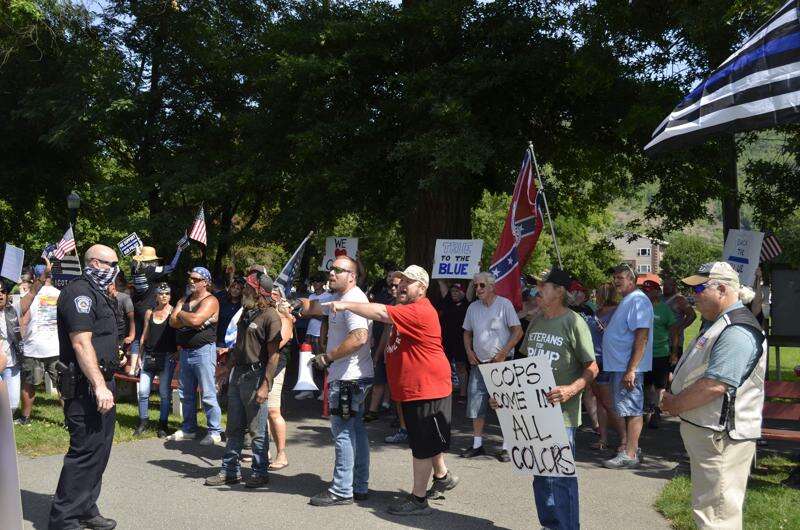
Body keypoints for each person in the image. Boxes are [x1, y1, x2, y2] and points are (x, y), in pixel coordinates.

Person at [324, 265, 459, 516]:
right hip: (415, 389)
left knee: (420, 445)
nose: (402, 286)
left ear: (422, 288)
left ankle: (418, 501)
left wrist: (346, 305)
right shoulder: (408, 309)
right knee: (425, 438)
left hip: (427, 389)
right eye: (401, 281)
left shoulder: (419, 310)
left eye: (409, 282)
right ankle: (442, 476)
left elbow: (379, 312)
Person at [662, 262, 764, 530]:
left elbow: (715, 385)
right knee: (710, 509)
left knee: (717, 516)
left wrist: (674, 403)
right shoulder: (721, 323)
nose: (693, 295)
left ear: (721, 289)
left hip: (723, 439)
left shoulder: (737, 330)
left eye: (698, 288)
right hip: (713, 435)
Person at [511, 268, 598, 530]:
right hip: (534, 413)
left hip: (562, 414)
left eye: (543, 286)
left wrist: (572, 389)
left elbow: (592, 367)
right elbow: (524, 365)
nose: (537, 291)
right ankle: (549, 524)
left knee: (559, 477)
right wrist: (508, 397)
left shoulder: (574, 322)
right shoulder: (537, 321)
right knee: (540, 475)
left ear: (559, 291)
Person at [49, 245, 120, 530]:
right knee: (84, 453)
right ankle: (64, 519)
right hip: (86, 386)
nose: (115, 269)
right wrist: (99, 385)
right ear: (95, 263)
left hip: (102, 380)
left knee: (100, 451)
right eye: (110, 263)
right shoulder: (79, 292)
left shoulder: (99, 292)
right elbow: (80, 342)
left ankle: (86, 507)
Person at [298, 256, 373, 507]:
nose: (331, 273)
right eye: (330, 269)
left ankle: (342, 490)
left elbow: (360, 336)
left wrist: (328, 357)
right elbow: (312, 307)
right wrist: (288, 302)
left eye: (338, 270)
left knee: (342, 433)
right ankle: (359, 485)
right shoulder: (339, 298)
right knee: (356, 431)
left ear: (352, 276)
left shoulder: (354, 300)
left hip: (348, 378)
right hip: (355, 376)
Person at [205, 272, 282, 488]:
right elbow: (238, 347)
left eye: (248, 287)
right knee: (233, 427)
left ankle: (260, 472)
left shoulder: (270, 316)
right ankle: (230, 471)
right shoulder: (247, 313)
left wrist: (265, 385)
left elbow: (274, 355)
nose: (244, 289)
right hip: (239, 373)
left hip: (257, 376)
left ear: (258, 292)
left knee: (257, 429)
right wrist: (226, 370)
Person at [461, 271, 523, 461]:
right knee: (476, 404)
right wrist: (469, 352)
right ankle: (477, 445)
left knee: (504, 405)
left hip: (502, 364)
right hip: (479, 364)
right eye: (476, 285)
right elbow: (466, 333)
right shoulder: (473, 307)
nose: (478, 289)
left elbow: (518, 332)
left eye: (481, 285)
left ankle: (506, 447)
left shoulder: (504, 304)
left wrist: (504, 352)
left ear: (491, 286)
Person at [601, 263, 653, 469]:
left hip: (628, 368)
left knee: (632, 409)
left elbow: (642, 336)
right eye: (615, 279)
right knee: (627, 408)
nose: (616, 282)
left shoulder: (638, 300)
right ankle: (632, 448)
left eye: (620, 278)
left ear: (632, 280)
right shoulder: (629, 300)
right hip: (621, 366)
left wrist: (631, 369)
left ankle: (629, 454)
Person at [167, 266, 223, 445]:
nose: (191, 281)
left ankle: (214, 431)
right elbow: (172, 322)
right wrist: (188, 318)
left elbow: (195, 320)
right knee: (186, 393)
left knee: (207, 393)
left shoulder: (211, 300)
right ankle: (189, 428)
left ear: (205, 282)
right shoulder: (185, 298)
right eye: (190, 278)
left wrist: (181, 313)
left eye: (196, 279)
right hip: (185, 351)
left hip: (203, 351)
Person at [18, 264, 61, 424]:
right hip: (55, 346)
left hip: (33, 347)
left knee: (29, 384)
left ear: (36, 277)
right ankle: (70, 420)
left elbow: (24, 320)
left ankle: (25, 418)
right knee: (62, 385)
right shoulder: (60, 294)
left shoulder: (30, 294)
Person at [134, 283, 177, 438]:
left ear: (170, 296)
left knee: (164, 393)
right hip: (149, 355)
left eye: (167, 293)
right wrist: (139, 355)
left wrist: (177, 351)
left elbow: (179, 334)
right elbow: (144, 335)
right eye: (161, 293)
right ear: (156, 296)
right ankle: (143, 422)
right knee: (144, 391)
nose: (164, 296)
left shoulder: (174, 312)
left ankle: (163, 425)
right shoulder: (149, 312)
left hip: (166, 356)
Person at [130, 244, 183, 371]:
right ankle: (147, 364)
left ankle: (133, 368)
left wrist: (138, 254)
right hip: (149, 309)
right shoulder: (151, 271)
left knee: (137, 338)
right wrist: (179, 252)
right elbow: (171, 267)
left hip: (137, 308)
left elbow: (135, 262)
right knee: (149, 336)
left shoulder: (134, 270)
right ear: (151, 261)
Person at [641, 280, 679, 429]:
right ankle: (649, 407)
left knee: (660, 386)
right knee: (646, 384)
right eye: (645, 290)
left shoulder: (664, 309)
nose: (647, 293)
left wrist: (674, 352)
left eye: (650, 290)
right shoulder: (640, 308)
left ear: (657, 292)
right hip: (643, 353)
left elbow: (674, 331)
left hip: (661, 353)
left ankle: (656, 410)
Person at [364, 272, 401, 421]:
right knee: (379, 380)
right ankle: (372, 411)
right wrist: (379, 352)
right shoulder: (389, 303)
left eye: (396, 285)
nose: (393, 288)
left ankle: (401, 420)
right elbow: (386, 331)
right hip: (386, 349)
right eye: (391, 285)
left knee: (397, 386)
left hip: (400, 353)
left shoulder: (408, 306)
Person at [267, 284, 293, 470]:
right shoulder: (266, 315)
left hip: (276, 365)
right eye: (269, 293)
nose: (272, 296)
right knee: (263, 411)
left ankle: (281, 454)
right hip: (264, 365)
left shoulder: (284, 318)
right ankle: (263, 451)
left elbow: (280, 342)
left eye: (276, 294)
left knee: (273, 411)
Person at [296, 272, 330, 400]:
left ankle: (323, 391)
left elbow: (324, 316)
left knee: (321, 362)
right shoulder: (310, 296)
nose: (315, 284)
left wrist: (311, 313)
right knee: (306, 361)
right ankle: (307, 389)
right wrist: (312, 313)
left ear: (323, 283)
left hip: (320, 333)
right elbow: (307, 313)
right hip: (309, 331)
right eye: (314, 282)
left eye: (318, 281)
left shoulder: (328, 296)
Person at [437, 281, 470, 401]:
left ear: (463, 292)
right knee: (445, 366)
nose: (454, 293)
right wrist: (438, 272)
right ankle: (445, 392)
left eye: (457, 291)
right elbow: (442, 284)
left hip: (461, 341)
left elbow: (471, 285)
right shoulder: (447, 302)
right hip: (446, 341)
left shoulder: (467, 302)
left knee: (461, 366)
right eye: (452, 291)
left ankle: (463, 394)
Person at [662, 277, 696, 357]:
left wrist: (680, 328)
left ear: (674, 286)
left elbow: (692, 315)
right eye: (664, 285)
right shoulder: (660, 298)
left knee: (672, 367)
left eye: (669, 285)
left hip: (674, 343)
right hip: (660, 342)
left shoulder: (680, 300)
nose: (666, 287)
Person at [108, 278, 135, 371]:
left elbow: (132, 319)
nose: (108, 286)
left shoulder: (124, 298)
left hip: (122, 335)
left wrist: (131, 336)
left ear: (114, 286)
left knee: (123, 364)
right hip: (109, 334)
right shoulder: (103, 297)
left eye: (110, 284)